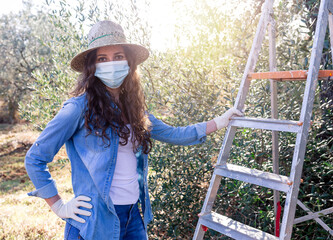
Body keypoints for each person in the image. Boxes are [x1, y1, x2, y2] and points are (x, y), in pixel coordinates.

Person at [25, 20, 243, 240]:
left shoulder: (134, 110)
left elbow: (174, 133)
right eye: (102, 59)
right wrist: (59, 206)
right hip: (95, 221)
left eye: (118, 56)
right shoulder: (77, 109)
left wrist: (220, 121)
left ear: (129, 62)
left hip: (132, 217)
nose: (111, 64)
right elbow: (35, 158)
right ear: (92, 66)